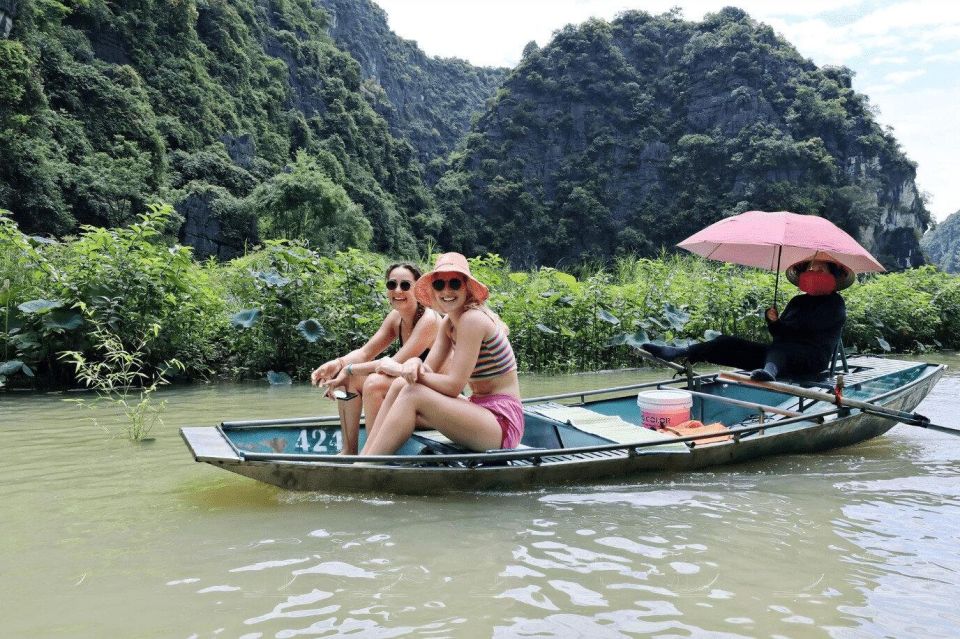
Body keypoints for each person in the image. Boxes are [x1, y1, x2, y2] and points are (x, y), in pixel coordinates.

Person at [359, 252, 524, 456]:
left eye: (454, 283)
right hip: (479, 409)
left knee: (413, 393)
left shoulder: (472, 320)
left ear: (466, 287)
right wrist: (412, 365)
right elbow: (428, 369)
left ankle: (369, 465)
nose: (447, 291)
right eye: (439, 285)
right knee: (402, 384)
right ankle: (365, 456)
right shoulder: (449, 322)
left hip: (502, 423)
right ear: (433, 290)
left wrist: (402, 369)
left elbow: (454, 387)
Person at [643, 259, 850, 382]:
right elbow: (780, 334)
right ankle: (680, 352)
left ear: (832, 277)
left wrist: (782, 327)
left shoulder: (835, 304)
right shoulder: (797, 301)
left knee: (781, 350)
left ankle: (769, 374)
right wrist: (774, 322)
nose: (813, 272)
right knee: (726, 342)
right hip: (776, 357)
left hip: (811, 360)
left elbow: (807, 328)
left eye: (819, 270)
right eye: (811, 269)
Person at [311, 263, 439, 454]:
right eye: (391, 285)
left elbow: (391, 365)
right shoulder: (396, 318)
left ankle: (372, 453)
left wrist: (348, 369)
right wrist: (337, 364)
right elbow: (365, 353)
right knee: (349, 380)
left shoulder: (429, 320)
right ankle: (349, 450)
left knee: (374, 382)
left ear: (418, 289)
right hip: (408, 390)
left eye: (405, 285)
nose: (397, 290)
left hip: (433, 401)